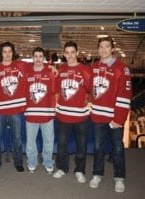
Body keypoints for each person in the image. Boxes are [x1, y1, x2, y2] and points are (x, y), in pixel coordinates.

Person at [89, 36, 132, 193]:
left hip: (114, 118)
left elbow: (124, 95)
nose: (103, 49)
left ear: (112, 49)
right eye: (101, 47)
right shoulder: (94, 67)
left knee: (117, 149)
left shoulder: (122, 68)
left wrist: (119, 119)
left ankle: (119, 178)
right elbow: (85, 86)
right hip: (98, 117)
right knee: (98, 147)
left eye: (107, 46)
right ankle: (97, 174)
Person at [53, 41, 92, 183]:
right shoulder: (61, 70)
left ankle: (80, 170)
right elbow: (56, 91)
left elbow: (91, 90)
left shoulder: (86, 70)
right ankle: (62, 168)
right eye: (67, 52)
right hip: (63, 114)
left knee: (81, 144)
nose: (70, 55)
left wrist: (87, 101)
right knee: (62, 144)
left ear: (77, 53)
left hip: (80, 115)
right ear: (64, 54)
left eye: (72, 52)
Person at [0, 41, 27, 173]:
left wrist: (51, 67)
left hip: (16, 110)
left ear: (13, 53)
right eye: (4, 52)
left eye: (9, 51)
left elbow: (38, 65)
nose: (7, 54)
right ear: (1, 53)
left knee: (17, 138)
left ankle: (18, 161)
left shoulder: (21, 65)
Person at [24, 47, 56, 174]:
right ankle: (32, 162)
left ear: (43, 58)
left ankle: (48, 161)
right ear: (32, 57)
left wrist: (50, 66)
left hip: (47, 113)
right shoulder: (27, 72)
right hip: (31, 113)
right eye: (35, 56)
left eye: (40, 56)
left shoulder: (50, 73)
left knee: (48, 141)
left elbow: (54, 92)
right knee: (30, 142)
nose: (38, 59)